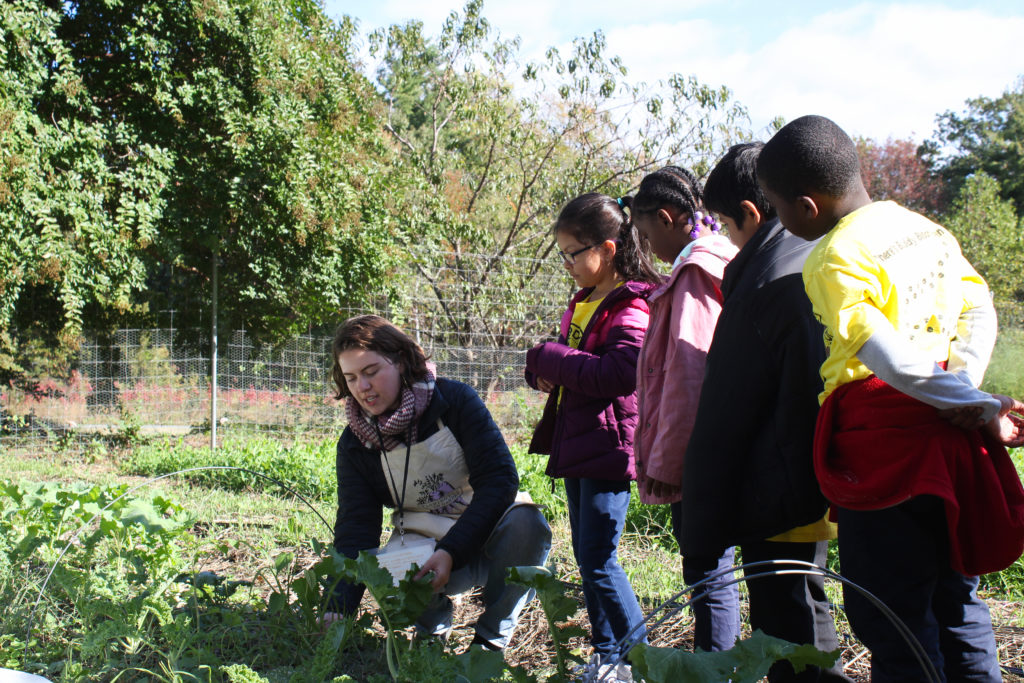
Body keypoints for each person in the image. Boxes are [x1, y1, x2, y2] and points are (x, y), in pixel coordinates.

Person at [757, 114, 1024, 682]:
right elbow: (979, 307)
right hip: (949, 440)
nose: (780, 220)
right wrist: (962, 387)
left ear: (805, 205)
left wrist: (968, 402)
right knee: (959, 602)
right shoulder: (928, 231)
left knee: (894, 617)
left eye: (776, 207)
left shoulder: (833, 256)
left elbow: (878, 351)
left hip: (885, 451)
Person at [679, 142, 850, 682]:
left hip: (780, 491)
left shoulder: (764, 283)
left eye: (727, 226)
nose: (727, 240)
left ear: (752, 213)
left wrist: (703, 523)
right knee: (805, 606)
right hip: (816, 476)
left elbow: (727, 414)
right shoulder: (816, 256)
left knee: (791, 625)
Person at [325, 315, 551, 652]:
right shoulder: (356, 443)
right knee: (388, 562)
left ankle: (490, 639)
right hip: (422, 547)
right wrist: (337, 607)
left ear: (400, 361)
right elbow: (357, 528)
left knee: (527, 524)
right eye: (352, 378)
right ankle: (430, 632)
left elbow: (499, 480)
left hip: (488, 531)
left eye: (371, 372)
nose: (363, 387)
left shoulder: (453, 401)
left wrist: (452, 551)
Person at [525, 192, 662, 675]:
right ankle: (607, 659)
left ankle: (637, 663)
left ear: (606, 248)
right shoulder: (586, 300)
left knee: (601, 559)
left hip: (608, 445)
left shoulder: (633, 303)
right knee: (588, 560)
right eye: (561, 254)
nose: (567, 264)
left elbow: (620, 372)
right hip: (580, 441)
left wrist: (547, 357)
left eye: (573, 253)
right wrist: (542, 368)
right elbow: (572, 361)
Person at [626, 166, 741, 653]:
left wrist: (674, 464)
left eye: (647, 231)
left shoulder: (694, 271)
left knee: (707, 567)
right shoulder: (724, 256)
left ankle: (712, 667)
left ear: (669, 218)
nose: (647, 245)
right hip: (726, 441)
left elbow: (687, 377)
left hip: (699, 451)